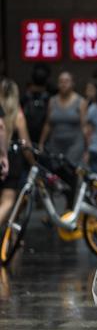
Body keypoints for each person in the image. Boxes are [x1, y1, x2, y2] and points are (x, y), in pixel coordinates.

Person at [0, 78, 34, 226]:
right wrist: (33, 162)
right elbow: (26, 145)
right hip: (11, 161)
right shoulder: (17, 115)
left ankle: (11, 240)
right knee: (8, 202)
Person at [38, 72, 88, 166]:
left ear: (72, 83)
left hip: (75, 145)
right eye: (61, 81)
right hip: (56, 145)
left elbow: (84, 127)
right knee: (57, 175)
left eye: (66, 81)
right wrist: (41, 143)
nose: (64, 84)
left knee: (71, 172)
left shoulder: (80, 102)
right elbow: (48, 124)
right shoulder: (52, 101)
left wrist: (87, 150)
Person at [21, 63, 51, 144]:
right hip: (27, 132)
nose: (40, 75)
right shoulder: (26, 97)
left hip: (45, 136)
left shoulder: (50, 96)